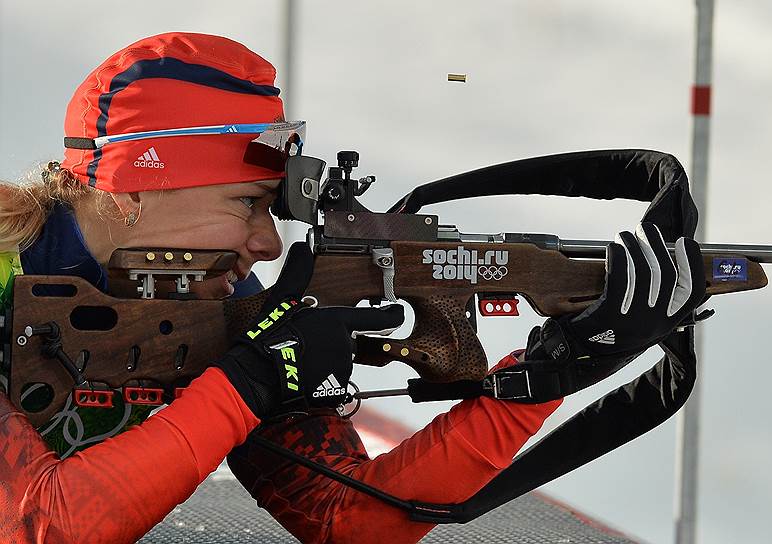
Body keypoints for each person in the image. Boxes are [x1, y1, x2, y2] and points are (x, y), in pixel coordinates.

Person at [0, 32, 705, 544]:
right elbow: (46, 527)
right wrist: (248, 383)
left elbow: (354, 522)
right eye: (246, 203)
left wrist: (550, 371)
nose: (269, 242)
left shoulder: (203, 310)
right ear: (134, 191)